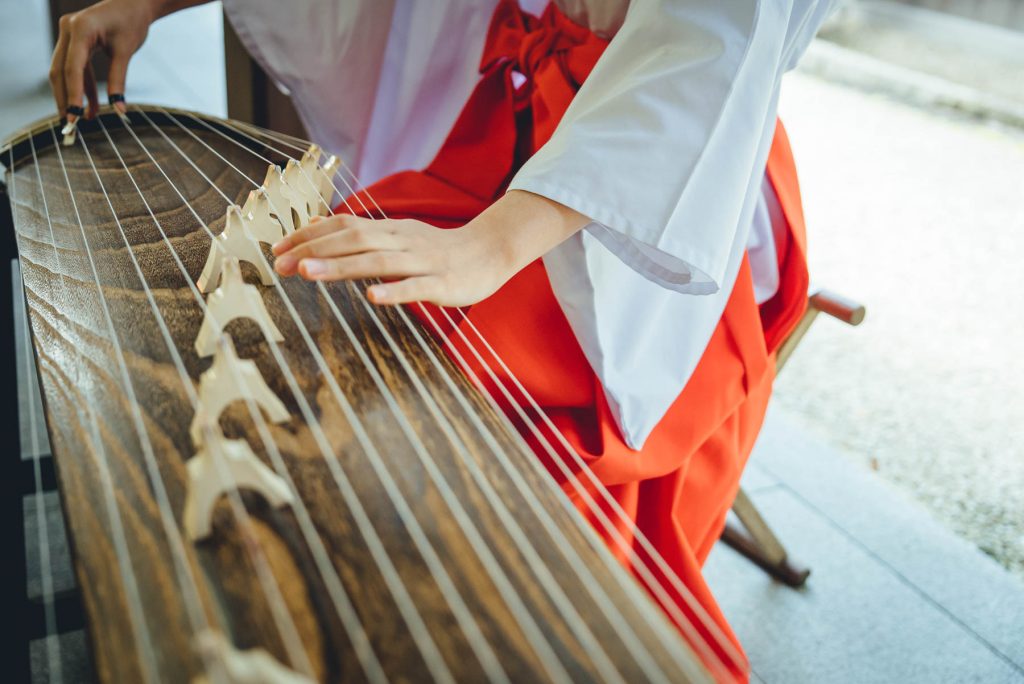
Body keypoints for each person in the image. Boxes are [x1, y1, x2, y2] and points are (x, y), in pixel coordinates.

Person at [50, 0, 837, 679]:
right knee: (306, 294)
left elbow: (717, 31)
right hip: (499, 126)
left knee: (461, 435)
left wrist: (490, 247)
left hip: (640, 193)